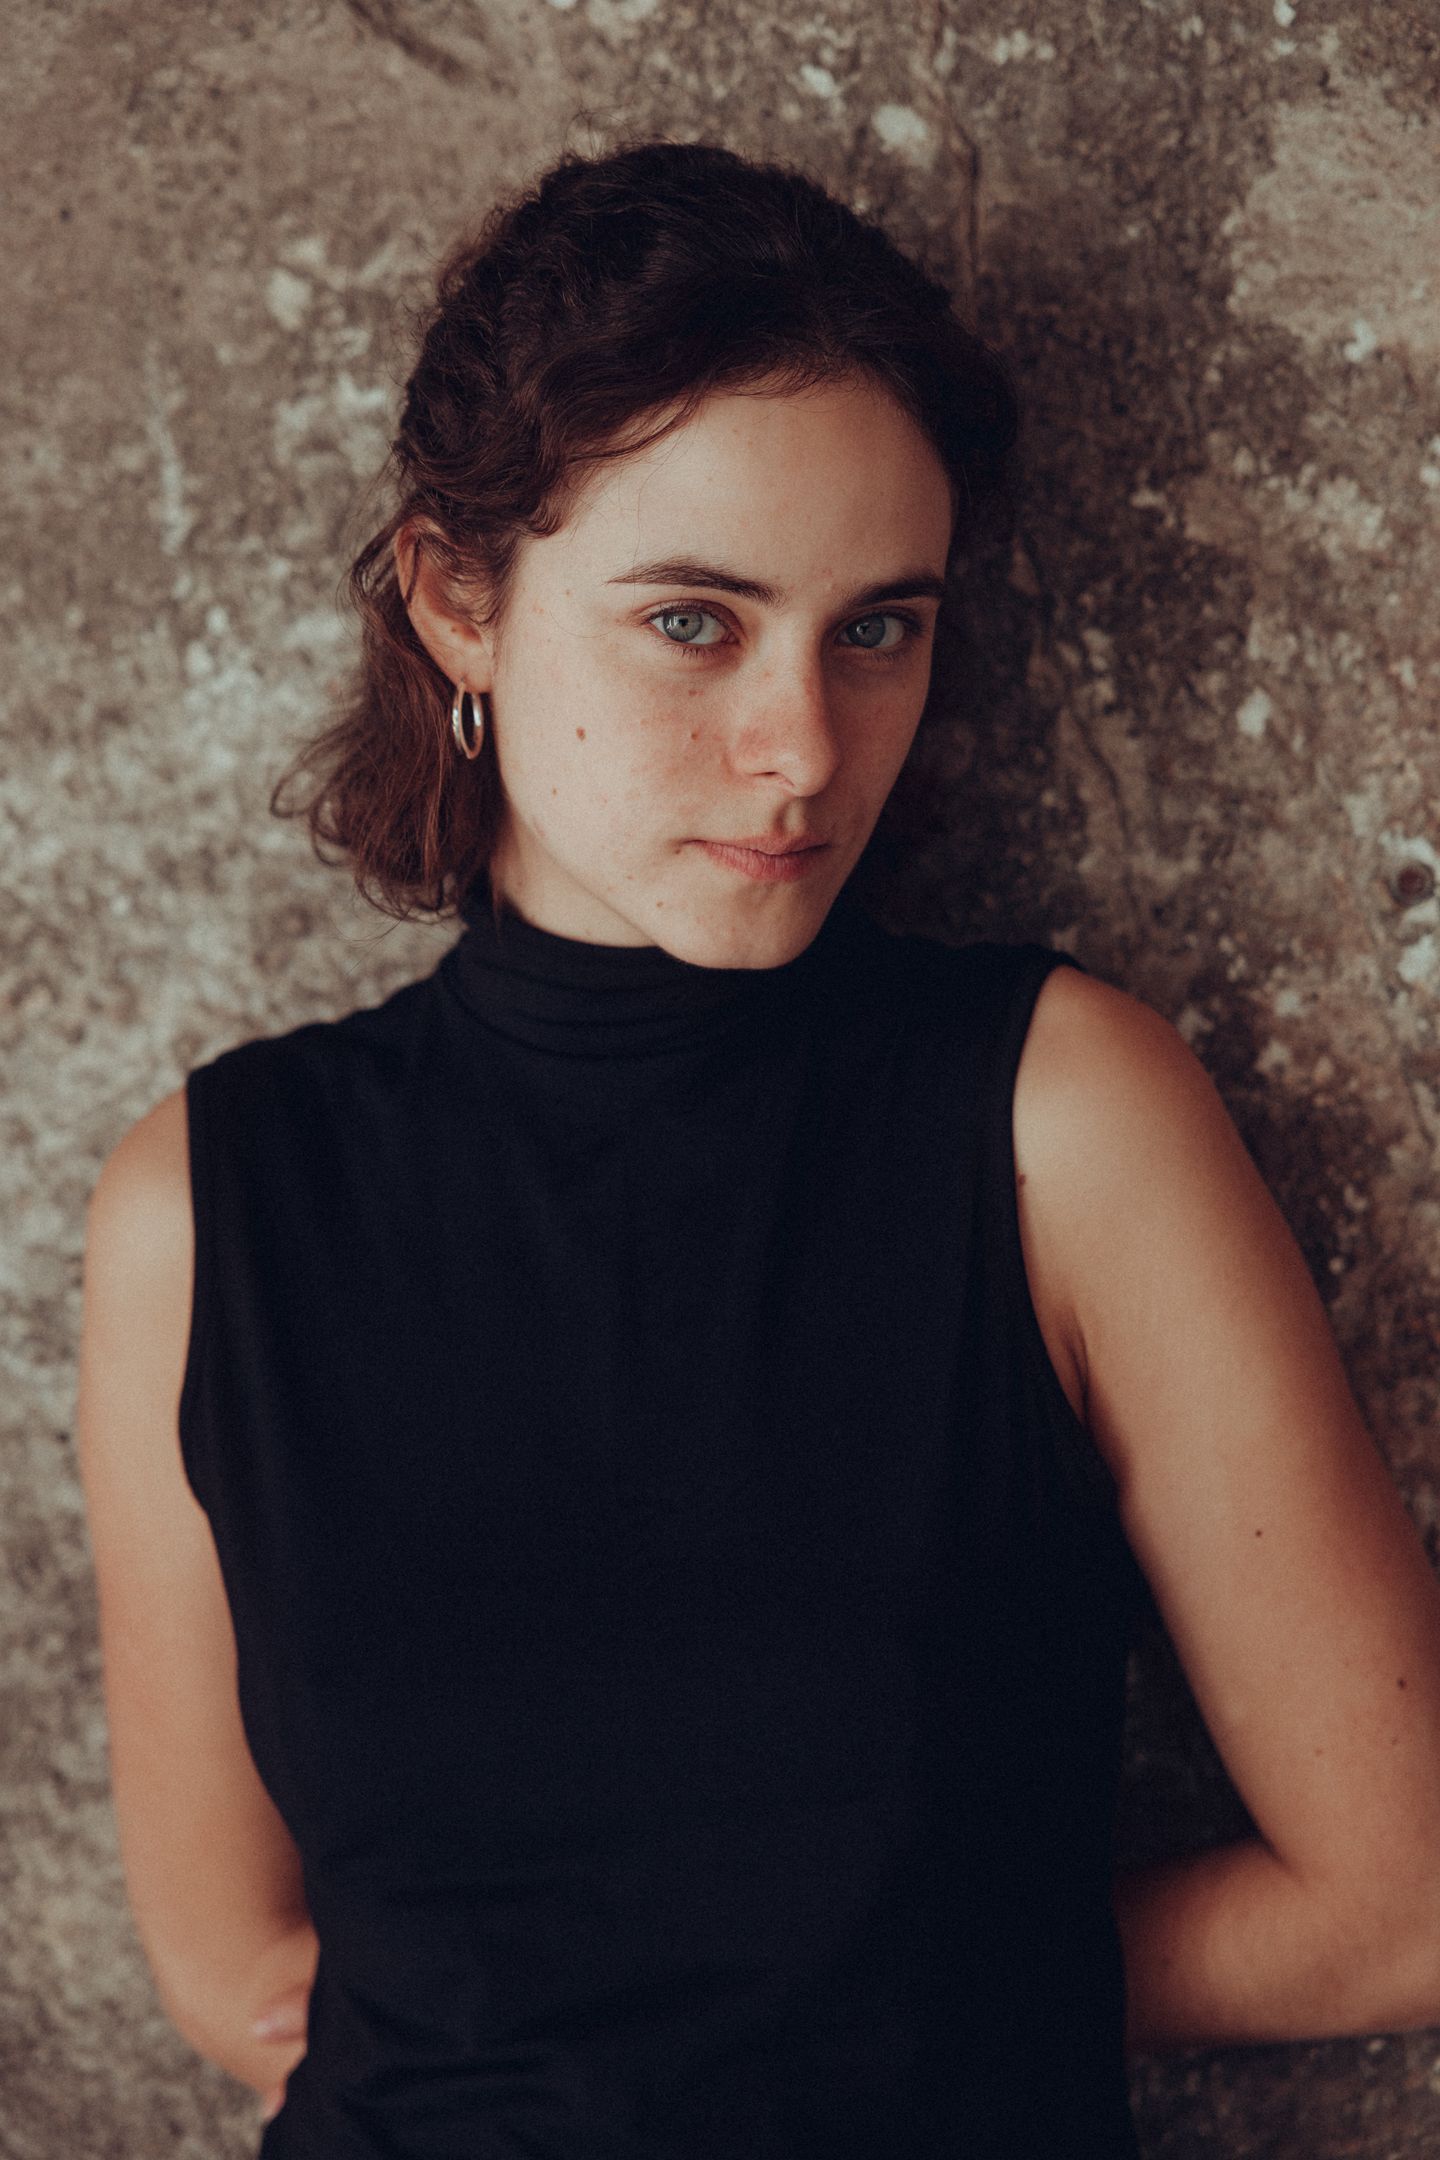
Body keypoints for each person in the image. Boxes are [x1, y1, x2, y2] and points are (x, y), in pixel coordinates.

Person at [75, 136, 1440, 2160]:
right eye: (695, 623)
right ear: (457, 600)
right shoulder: (206, 1206)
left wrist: (879, 1990)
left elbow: (1402, 1904)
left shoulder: (1061, 1122)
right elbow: (229, 1969)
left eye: (877, 629)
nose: (803, 748)